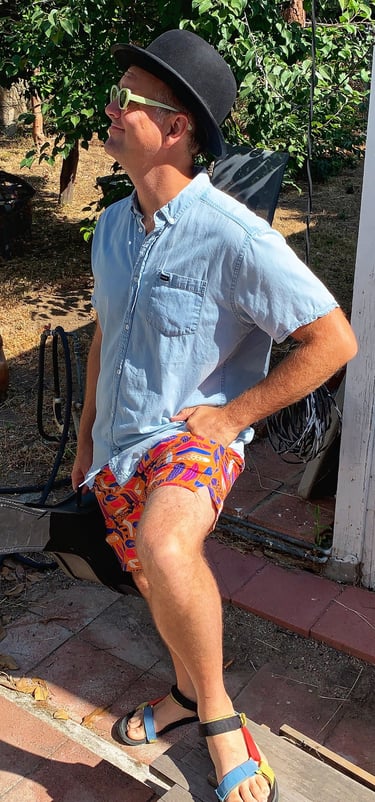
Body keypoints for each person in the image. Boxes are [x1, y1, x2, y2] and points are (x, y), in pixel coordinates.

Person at [72, 29, 357, 802]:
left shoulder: (235, 237)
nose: (109, 107)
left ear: (176, 127)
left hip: (193, 438)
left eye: (125, 98)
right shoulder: (110, 228)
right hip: (119, 444)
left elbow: (332, 341)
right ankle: (187, 691)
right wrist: (85, 433)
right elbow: (106, 334)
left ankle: (219, 715)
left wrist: (233, 417)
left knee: (167, 546)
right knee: (155, 578)